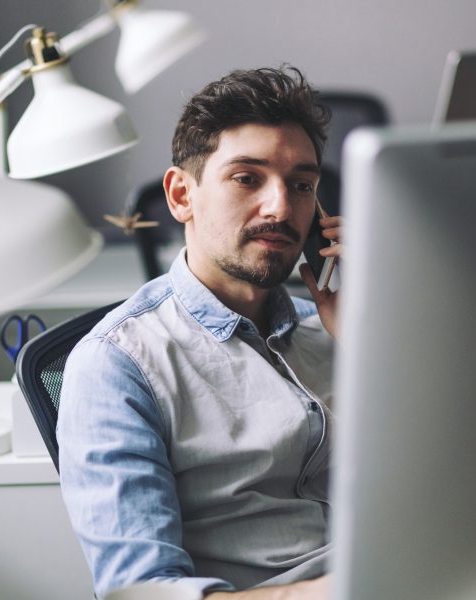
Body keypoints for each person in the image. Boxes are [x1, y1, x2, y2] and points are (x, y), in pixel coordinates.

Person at [57, 65, 341, 600]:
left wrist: (378, 337)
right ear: (181, 195)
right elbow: (139, 594)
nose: (281, 206)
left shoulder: (333, 330)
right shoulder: (116, 364)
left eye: (301, 185)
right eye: (246, 178)